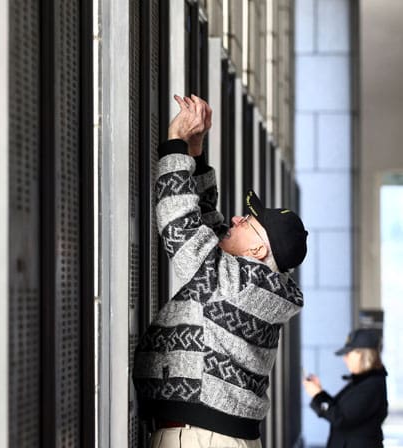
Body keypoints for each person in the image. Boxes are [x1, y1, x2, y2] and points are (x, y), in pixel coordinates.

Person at [132, 94, 309, 448]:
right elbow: (212, 231)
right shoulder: (249, 282)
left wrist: (174, 143)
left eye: (249, 222)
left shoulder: (234, 284)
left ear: (258, 250)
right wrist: (195, 152)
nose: (236, 218)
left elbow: (180, 224)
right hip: (214, 437)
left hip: (202, 439)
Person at [303, 328, 388, 448]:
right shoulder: (363, 382)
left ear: (363, 355)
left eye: (348, 353)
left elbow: (341, 418)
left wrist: (318, 395)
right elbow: (341, 409)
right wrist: (319, 392)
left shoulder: (371, 386)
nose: (345, 358)